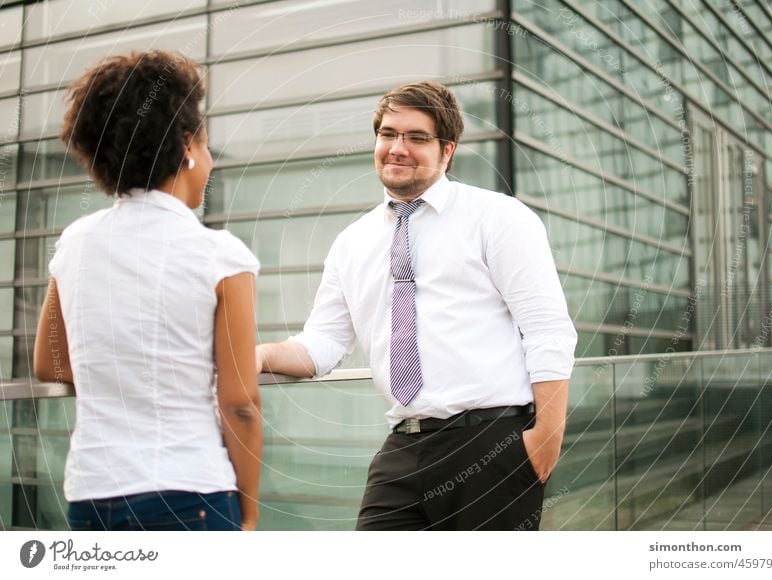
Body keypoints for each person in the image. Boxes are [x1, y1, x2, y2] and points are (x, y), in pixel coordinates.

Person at [256, 80, 577, 530]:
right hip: (403, 447)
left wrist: (546, 437)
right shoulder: (352, 243)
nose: (397, 148)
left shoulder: (498, 218)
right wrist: (258, 356)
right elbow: (324, 343)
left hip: (493, 442)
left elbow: (547, 329)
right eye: (387, 134)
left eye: (416, 137)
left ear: (447, 149)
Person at [33, 51, 263, 531]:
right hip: (189, 493)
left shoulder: (76, 242)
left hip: (93, 495)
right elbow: (239, 401)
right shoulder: (220, 254)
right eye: (205, 143)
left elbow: (50, 362)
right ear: (187, 146)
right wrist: (250, 512)